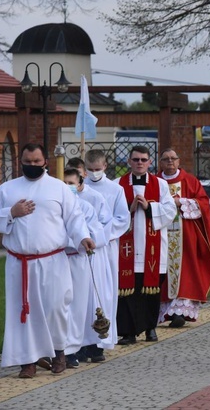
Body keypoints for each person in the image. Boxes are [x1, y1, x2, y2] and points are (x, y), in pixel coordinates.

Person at [0, 144, 95, 378]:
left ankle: (59, 353)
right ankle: (28, 361)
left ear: (45, 161)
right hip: (19, 263)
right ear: (20, 161)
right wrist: (11, 212)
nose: (32, 165)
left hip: (52, 260)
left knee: (56, 308)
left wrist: (83, 236)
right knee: (24, 311)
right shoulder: (8, 189)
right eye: (28, 161)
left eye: (36, 161)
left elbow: (74, 217)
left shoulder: (59, 188)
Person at [115, 145, 177, 345]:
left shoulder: (160, 185)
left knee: (151, 291)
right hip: (127, 250)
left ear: (150, 162)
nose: (139, 163)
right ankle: (128, 332)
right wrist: (129, 208)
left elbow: (170, 211)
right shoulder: (118, 184)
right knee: (128, 292)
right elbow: (110, 214)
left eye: (143, 159)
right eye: (135, 159)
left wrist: (149, 206)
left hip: (153, 250)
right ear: (129, 162)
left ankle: (150, 328)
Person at [157, 148, 210, 328]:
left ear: (178, 161)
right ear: (160, 162)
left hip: (185, 235)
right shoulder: (155, 181)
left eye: (173, 158)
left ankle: (180, 312)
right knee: (163, 269)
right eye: (166, 159)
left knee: (185, 269)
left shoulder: (190, 181)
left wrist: (180, 202)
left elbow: (204, 203)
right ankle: (163, 310)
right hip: (160, 232)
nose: (170, 161)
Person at [66, 157, 116, 363]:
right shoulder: (53, 206)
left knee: (86, 303)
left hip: (83, 259)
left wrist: (81, 240)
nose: (67, 187)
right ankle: (66, 347)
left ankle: (90, 344)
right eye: (63, 184)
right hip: (58, 260)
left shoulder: (88, 205)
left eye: (70, 184)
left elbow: (99, 230)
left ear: (79, 185)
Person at [83, 149, 131, 352]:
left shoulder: (115, 189)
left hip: (106, 246)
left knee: (106, 290)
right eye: (90, 169)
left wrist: (99, 236)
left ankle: (103, 338)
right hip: (81, 247)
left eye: (97, 169)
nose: (94, 172)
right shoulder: (77, 188)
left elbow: (122, 219)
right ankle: (83, 340)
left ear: (105, 166)